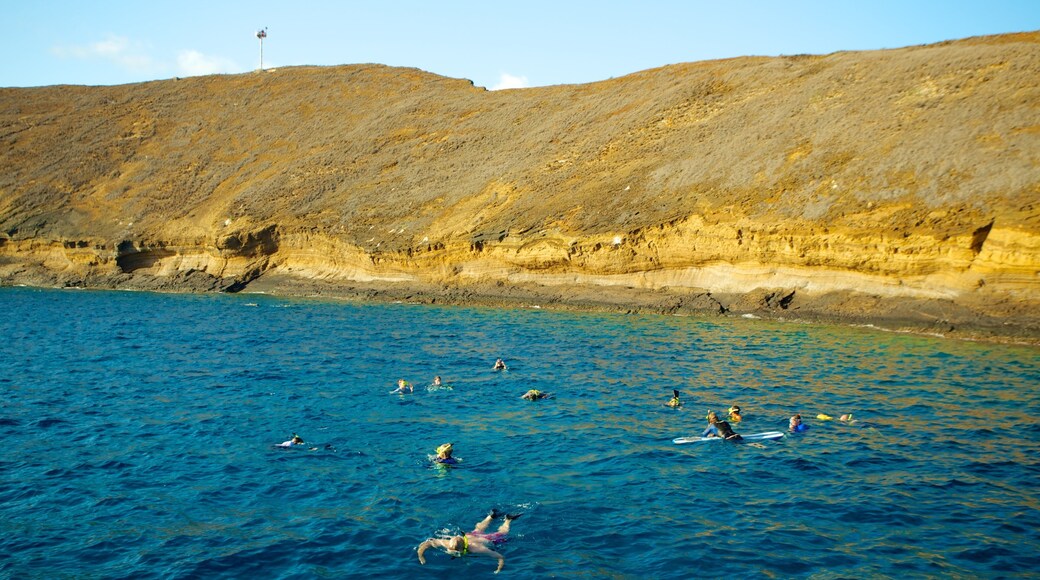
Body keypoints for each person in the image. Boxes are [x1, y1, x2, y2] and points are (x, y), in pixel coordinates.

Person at [417, 510, 521, 573]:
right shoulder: (446, 543)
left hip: (486, 539)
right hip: (470, 536)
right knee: (478, 529)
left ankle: (508, 519)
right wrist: (421, 555)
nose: (449, 549)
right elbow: (428, 543)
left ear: (462, 548)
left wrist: (499, 568)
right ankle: (490, 516)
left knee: (503, 533)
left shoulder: (476, 549)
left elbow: (500, 556)